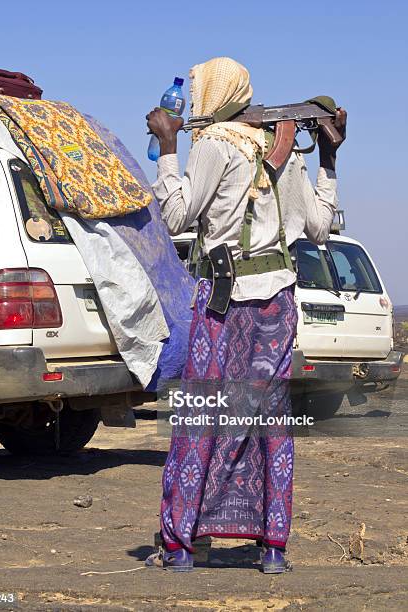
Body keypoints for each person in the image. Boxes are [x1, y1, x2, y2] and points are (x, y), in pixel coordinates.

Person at [145, 57, 346, 573]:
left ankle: (181, 547)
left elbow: (175, 216)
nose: (189, 100)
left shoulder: (215, 145)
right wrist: (329, 160)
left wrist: (168, 149)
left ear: (217, 92)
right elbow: (321, 228)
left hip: (224, 303)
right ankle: (273, 548)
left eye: (195, 89)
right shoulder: (285, 152)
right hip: (278, 304)